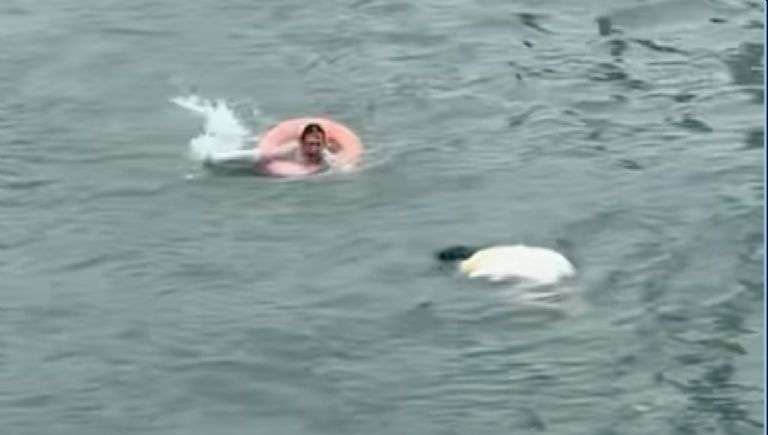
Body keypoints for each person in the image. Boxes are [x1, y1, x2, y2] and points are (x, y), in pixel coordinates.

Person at [205, 122, 340, 174]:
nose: (314, 147)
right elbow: (269, 155)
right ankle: (218, 158)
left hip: (291, 169)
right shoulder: (293, 147)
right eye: (310, 144)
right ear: (303, 142)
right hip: (277, 157)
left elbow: (338, 165)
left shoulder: (324, 155)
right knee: (260, 155)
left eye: (317, 144)